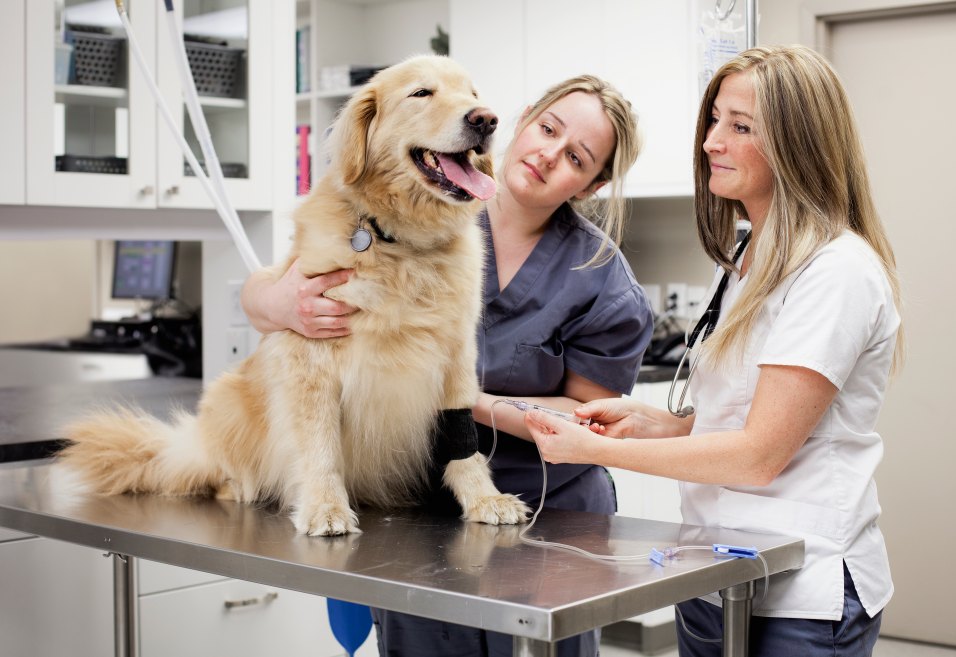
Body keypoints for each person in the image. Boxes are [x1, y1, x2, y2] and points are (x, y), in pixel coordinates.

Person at [241, 74, 654, 657]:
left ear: (592, 184)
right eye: (547, 129)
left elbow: (590, 418)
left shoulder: (601, 280)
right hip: (423, 509)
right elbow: (279, 283)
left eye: (575, 158)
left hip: (549, 515)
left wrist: (457, 399)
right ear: (523, 117)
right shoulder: (420, 194)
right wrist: (273, 301)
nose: (547, 155)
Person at [523, 45, 904, 657]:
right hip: (715, 571)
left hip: (799, 591)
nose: (710, 142)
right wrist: (655, 425)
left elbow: (758, 456)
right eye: (716, 120)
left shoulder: (837, 272)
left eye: (740, 126)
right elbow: (742, 419)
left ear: (796, 144)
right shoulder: (750, 258)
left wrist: (592, 452)